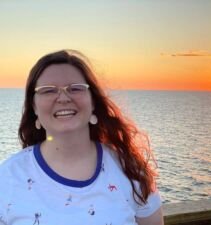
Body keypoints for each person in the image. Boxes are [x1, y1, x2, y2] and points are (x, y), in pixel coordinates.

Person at [0, 50, 164, 225]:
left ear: (93, 101)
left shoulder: (130, 171)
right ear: (34, 106)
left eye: (75, 88)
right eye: (48, 91)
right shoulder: (7, 179)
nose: (63, 98)